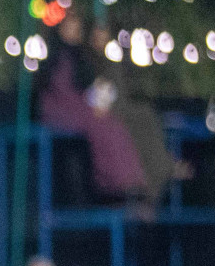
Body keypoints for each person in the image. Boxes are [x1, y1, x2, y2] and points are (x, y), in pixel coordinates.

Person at [35, 12, 147, 204]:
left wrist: (95, 102)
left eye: (77, 26)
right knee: (101, 125)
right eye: (70, 26)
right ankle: (112, 182)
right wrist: (89, 106)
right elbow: (60, 91)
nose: (75, 30)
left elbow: (87, 86)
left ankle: (129, 181)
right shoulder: (57, 55)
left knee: (113, 124)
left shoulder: (81, 55)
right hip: (59, 111)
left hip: (79, 108)